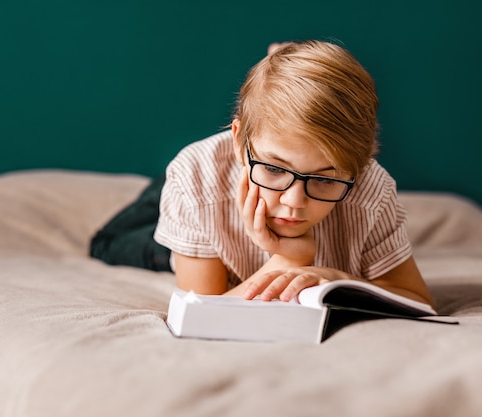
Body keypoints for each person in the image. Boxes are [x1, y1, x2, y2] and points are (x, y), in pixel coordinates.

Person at [92, 40, 434, 306]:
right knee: (107, 245)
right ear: (239, 141)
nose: (293, 203)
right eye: (273, 168)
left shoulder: (372, 189)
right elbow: (202, 311)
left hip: (228, 174)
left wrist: (337, 278)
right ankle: (164, 193)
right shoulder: (195, 177)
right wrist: (288, 259)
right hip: (206, 189)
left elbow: (417, 300)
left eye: (325, 179)